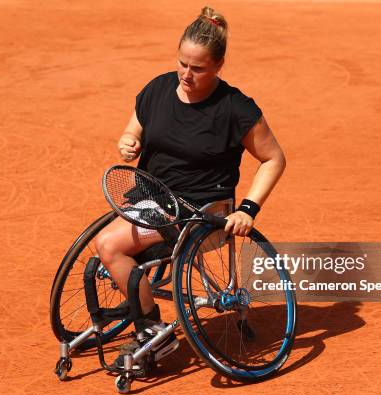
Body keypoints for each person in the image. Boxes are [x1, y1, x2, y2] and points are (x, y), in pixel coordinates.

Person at [94, 6, 286, 369]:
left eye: (197, 68)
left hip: (200, 211)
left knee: (108, 245)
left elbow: (274, 158)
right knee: (107, 248)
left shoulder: (235, 108)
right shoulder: (158, 89)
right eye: (182, 63)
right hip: (154, 200)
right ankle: (143, 307)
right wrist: (128, 141)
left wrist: (248, 209)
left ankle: (151, 333)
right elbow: (133, 128)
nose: (185, 74)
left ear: (219, 65)